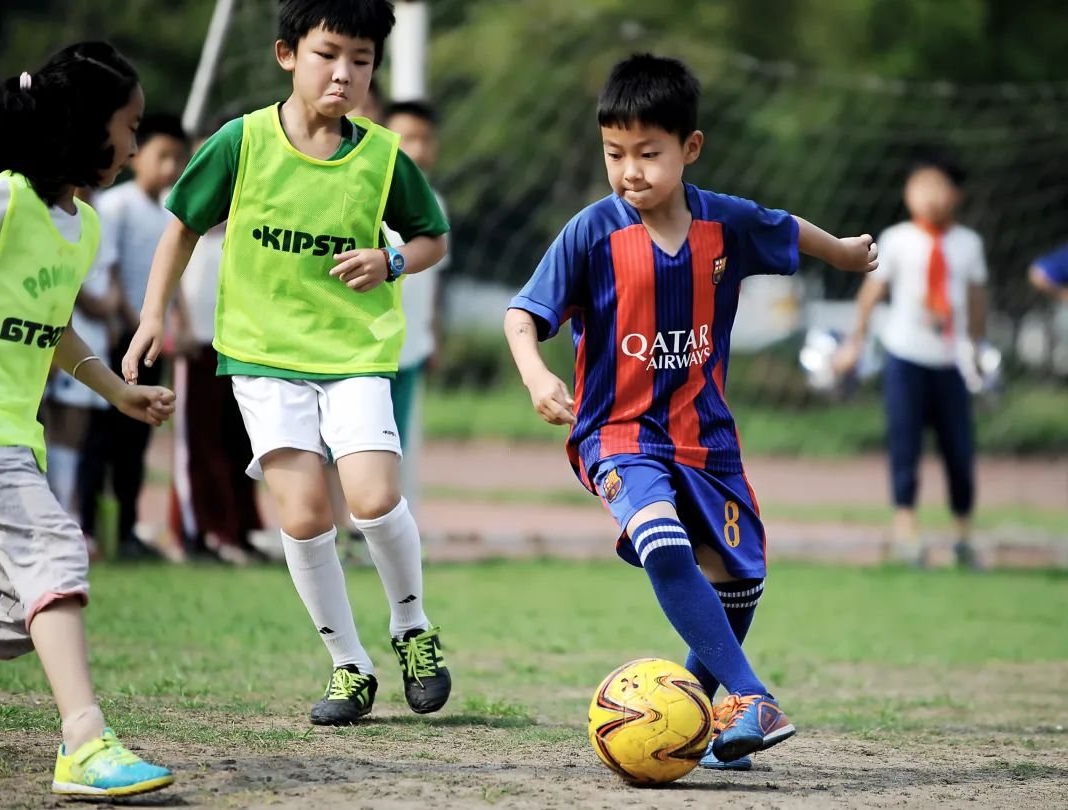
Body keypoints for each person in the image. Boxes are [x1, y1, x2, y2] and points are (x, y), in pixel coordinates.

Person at [504, 53, 878, 768]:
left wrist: (842, 254)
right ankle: (751, 696)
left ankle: (701, 726)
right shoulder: (592, 232)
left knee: (741, 580)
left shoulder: (724, 222)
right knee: (665, 544)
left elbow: (785, 226)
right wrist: (534, 376)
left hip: (706, 438)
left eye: (650, 153)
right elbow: (522, 315)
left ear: (690, 149)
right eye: (616, 154)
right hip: (616, 434)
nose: (630, 171)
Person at [123, 0, 452, 725]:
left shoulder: (382, 155)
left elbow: (432, 239)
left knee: (369, 497)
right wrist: (153, 315)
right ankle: (348, 666)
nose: (344, 74)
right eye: (329, 54)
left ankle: (412, 628)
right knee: (301, 517)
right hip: (263, 359)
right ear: (286, 54)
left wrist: (392, 257)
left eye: (361, 61)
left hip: (355, 354)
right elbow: (180, 227)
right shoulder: (241, 142)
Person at [0, 42, 175, 797]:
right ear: (83, 126)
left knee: (7, 620)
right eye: (128, 126)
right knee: (58, 551)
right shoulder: (2, 200)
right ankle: (85, 744)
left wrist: (114, 390)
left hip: (14, 440)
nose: (134, 142)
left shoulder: (83, 227)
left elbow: (53, 327)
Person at [835, 155, 988, 568]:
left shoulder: (968, 244)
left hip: (952, 358)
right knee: (905, 443)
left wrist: (977, 346)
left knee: (959, 446)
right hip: (905, 355)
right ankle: (906, 526)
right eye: (918, 186)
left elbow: (976, 301)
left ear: (955, 194)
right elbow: (871, 293)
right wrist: (855, 342)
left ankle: (963, 532)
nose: (926, 195)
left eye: (936, 185)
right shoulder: (898, 238)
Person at [76, 114, 188, 558]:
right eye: (163, 155)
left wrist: (169, 320)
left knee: (136, 440)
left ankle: (125, 528)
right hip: (120, 335)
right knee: (101, 436)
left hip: (150, 337)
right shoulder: (117, 204)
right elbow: (113, 269)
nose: (171, 166)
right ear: (139, 154)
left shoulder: (168, 210)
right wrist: (130, 319)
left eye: (178, 158)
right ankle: (88, 527)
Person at [169, 130, 264, 564]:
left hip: (242, 345)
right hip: (198, 345)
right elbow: (168, 279)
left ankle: (241, 528)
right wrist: (177, 326)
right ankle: (199, 531)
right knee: (200, 440)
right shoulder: (182, 212)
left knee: (243, 442)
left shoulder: (256, 207)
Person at [41, 186, 121, 526]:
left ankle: (66, 514)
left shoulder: (94, 213)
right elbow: (63, 281)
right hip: (58, 336)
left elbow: (109, 269)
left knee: (77, 429)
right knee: (57, 425)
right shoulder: (39, 206)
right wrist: (97, 306)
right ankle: (59, 513)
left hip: (89, 338)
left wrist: (111, 308)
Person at [384, 99, 448, 510]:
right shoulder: (368, 193)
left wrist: (433, 333)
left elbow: (435, 276)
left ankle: (376, 527)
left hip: (411, 346)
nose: (418, 148)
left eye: (425, 139)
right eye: (407, 138)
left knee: (395, 442)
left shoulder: (435, 203)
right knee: (352, 444)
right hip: (366, 346)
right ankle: (343, 528)